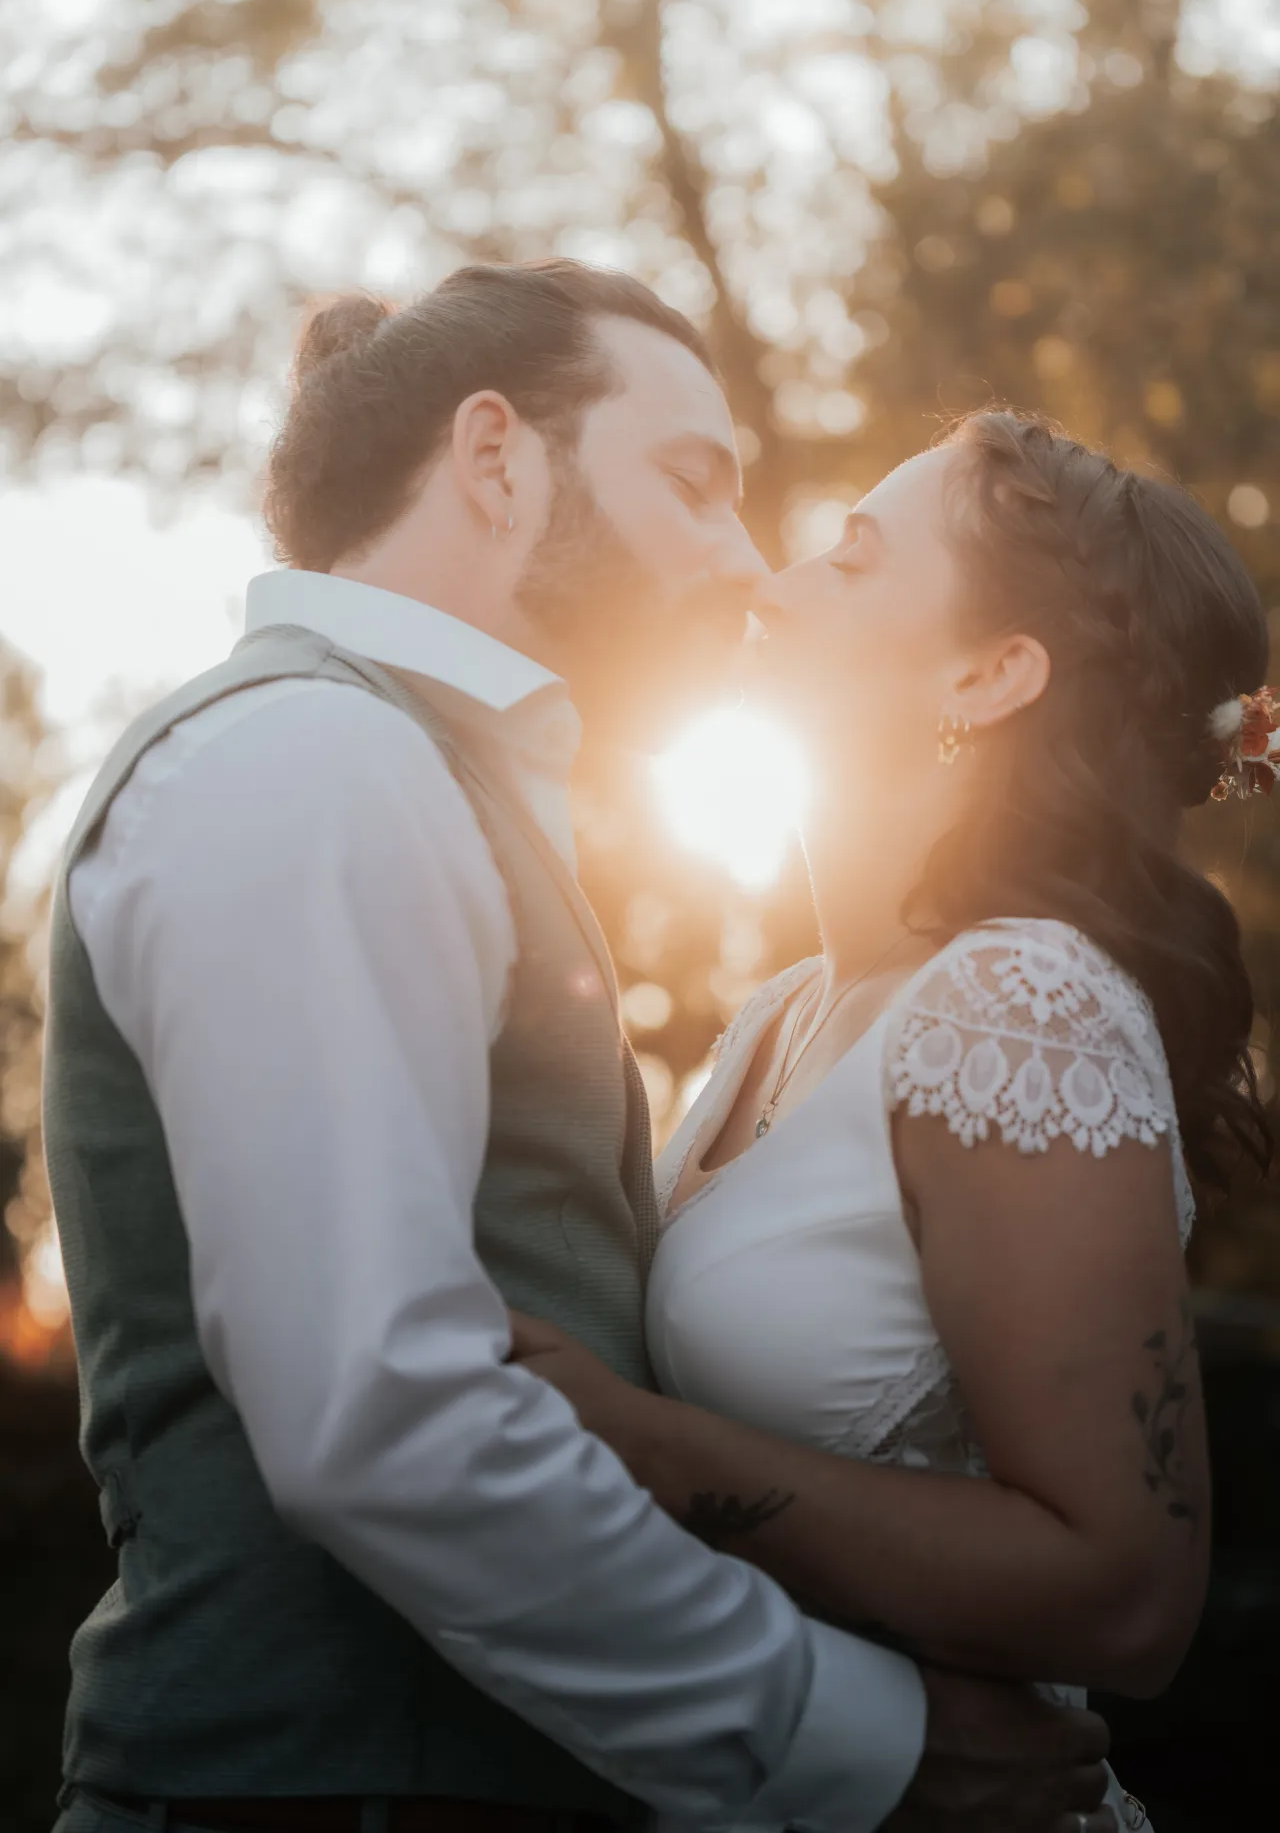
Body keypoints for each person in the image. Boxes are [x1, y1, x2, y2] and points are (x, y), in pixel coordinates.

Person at [43, 266, 1112, 1833]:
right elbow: (381, 1416)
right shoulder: (315, 760)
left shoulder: (405, 773)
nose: (748, 563)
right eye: (695, 483)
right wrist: (853, 1738)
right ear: (496, 459)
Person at [509, 410, 1276, 1832]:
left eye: (851, 563)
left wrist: (644, 1444)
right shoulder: (788, 1011)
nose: (770, 581)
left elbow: (1129, 1595)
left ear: (990, 675)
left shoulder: (1018, 1002)